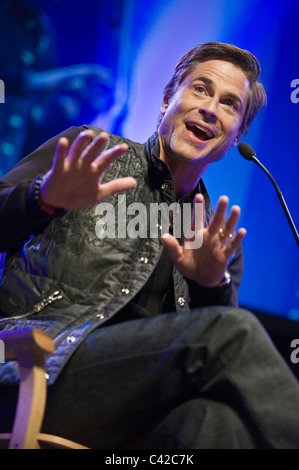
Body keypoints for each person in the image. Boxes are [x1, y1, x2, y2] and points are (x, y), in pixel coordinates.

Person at [0, 42, 299, 449]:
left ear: (236, 137)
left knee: (217, 419)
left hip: (131, 415)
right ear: (165, 100)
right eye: (200, 89)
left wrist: (210, 286)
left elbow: (217, 373)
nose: (210, 108)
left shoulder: (214, 237)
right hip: (37, 370)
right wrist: (42, 196)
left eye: (230, 104)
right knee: (229, 333)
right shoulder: (90, 153)